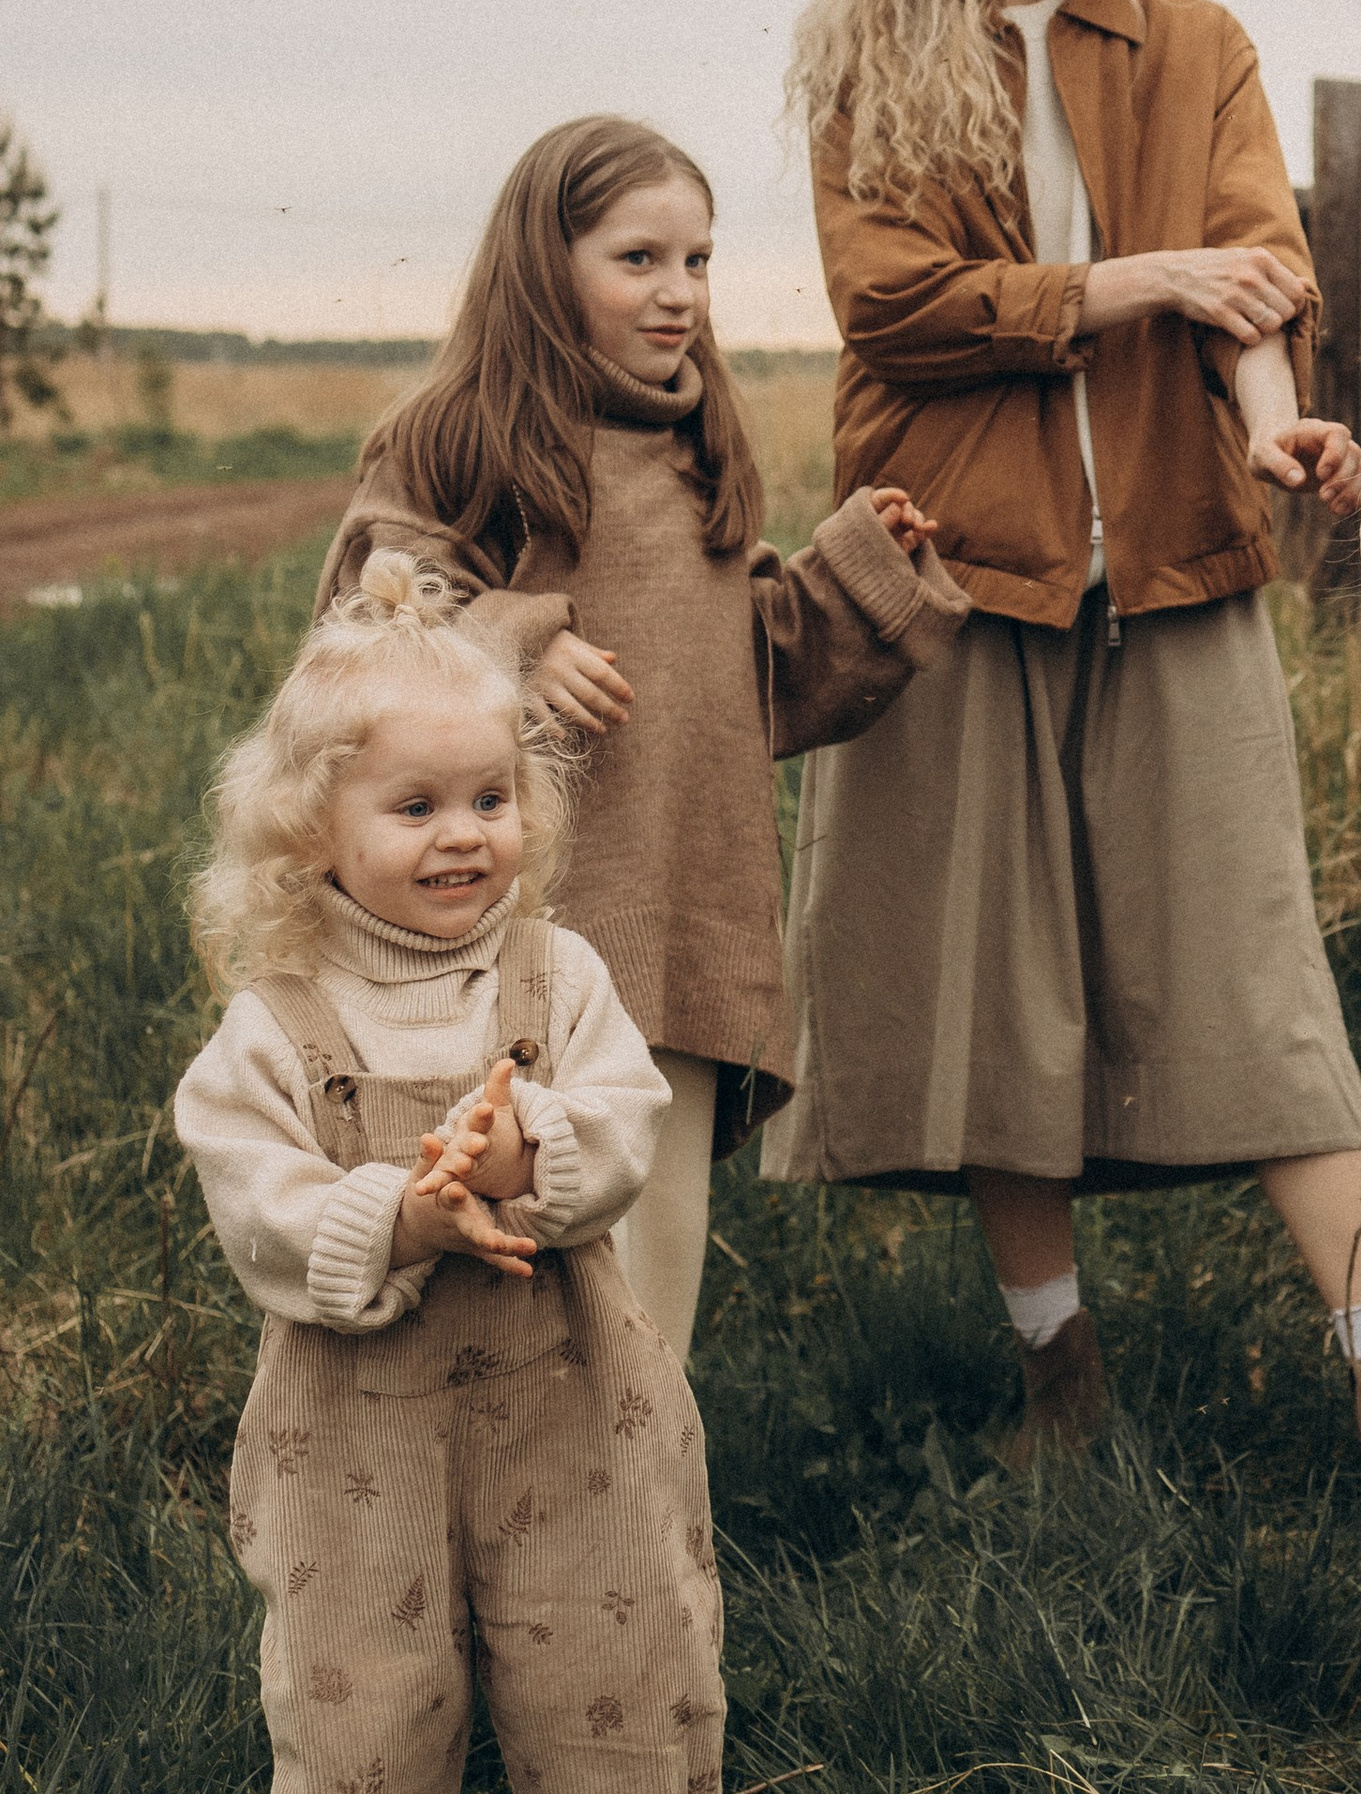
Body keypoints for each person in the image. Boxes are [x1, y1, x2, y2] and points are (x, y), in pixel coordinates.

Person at [770, 0, 1361, 1527]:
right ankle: (1061, 1398)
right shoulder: (874, 60)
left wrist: (1269, 427)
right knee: (997, 1017)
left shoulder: (1197, 43)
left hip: (1174, 572)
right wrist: (1140, 286)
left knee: (1264, 999)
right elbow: (898, 311)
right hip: (953, 587)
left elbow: (1252, 272)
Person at [175, 554, 723, 1794]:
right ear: (311, 832)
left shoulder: (560, 979)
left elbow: (623, 1126)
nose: (459, 838)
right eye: (412, 809)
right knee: (358, 1698)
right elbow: (256, 1199)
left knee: (611, 1657)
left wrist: (527, 1146)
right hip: (355, 1436)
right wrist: (400, 1220)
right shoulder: (275, 1027)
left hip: (575, 1407)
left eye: (488, 801)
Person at [320, 115, 968, 1359]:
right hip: (511, 932)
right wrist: (517, 638)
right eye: (638, 260)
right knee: (491, 1268)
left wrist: (859, 570)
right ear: (543, 264)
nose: (677, 295)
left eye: (700, 262)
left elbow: (740, 674)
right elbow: (375, 593)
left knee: (644, 1289)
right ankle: (488, 1528)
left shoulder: (697, 451)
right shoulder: (460, 433)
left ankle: (643, 1523)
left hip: (681, 920)